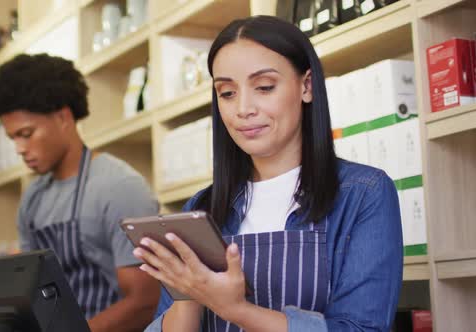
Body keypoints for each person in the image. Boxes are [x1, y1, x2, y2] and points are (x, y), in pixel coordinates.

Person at [137, 16, 403, 331]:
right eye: (227, 93)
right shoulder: (202, 208)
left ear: (306, 87)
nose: (243, 108)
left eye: (264, 87)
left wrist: (236, 309)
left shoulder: (363, 194)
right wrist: (191, 292)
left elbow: (364, 328)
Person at [0, 53, 161, 332]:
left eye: (27, 134)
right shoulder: (32, 199)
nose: (19, 148)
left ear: (63, 117)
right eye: (13, 138)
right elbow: (30, 292)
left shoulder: (119, 187)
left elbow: (144, 302)